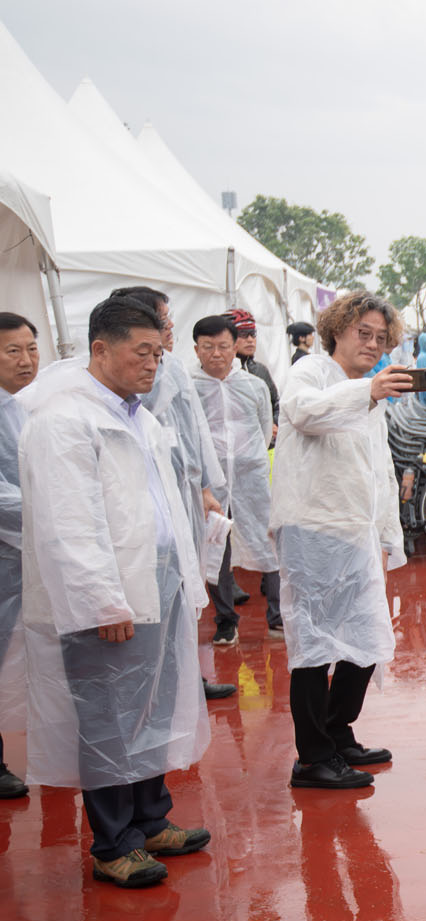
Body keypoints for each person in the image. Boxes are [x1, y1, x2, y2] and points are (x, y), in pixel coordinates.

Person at [18, 296, 211, 887]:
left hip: (157, 582)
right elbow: (68, 524)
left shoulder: (136, 415)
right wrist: (101, 599)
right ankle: (113, 843)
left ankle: (150, 820)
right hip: (111, 595)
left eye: (158, 353)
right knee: (109, 716)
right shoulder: (64, 419)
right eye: (141, 352)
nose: (152, 364)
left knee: (151, 706)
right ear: (100, 349)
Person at [270, 292, 409, 790]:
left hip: (357, 533)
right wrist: (367, 392)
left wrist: (387, 536)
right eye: (362, 333)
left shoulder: (372, 394)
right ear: (336, 331)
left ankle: (337, 730)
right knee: (313, 647)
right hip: (314, 531)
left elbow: (380, 471)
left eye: (380, 338)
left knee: (364, 637)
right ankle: (312, 757)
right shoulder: (311, 371)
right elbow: (304, 413)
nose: (372, 344)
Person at [109, 286, 236, 700]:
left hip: (184, 493)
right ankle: (163, 684)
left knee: (184, 590)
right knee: (154, 593)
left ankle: (187, 679)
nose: (171, 328)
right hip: (151, 500)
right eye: (164, 321)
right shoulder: (131, 377)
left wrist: (203, 485)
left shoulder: (174, 368)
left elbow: (193, 431)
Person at [191, 315, 281, 645]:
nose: (216, 353)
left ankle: (277, 616)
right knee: (218, 546)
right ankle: (226, 620)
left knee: (268, 540)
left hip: (250, 477)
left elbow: (264, 428)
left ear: (234, 348)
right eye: (208, 347)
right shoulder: (189, 387)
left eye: (223, 346)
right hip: (210, 483)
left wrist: (248, 459)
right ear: (197, 350)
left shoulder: (254, 385)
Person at [0, 312, 39, 797]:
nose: (26, 360)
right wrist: (49, 507)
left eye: (31, 348)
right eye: (13, 351)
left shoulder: (26, 406)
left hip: (25, 552)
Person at [226, 308, 278, 435]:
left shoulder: (261, 370)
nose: (250, 339)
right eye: (243, 334)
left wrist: (274, 423)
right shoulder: (222, 373)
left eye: (253, 333)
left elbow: (276, 404)